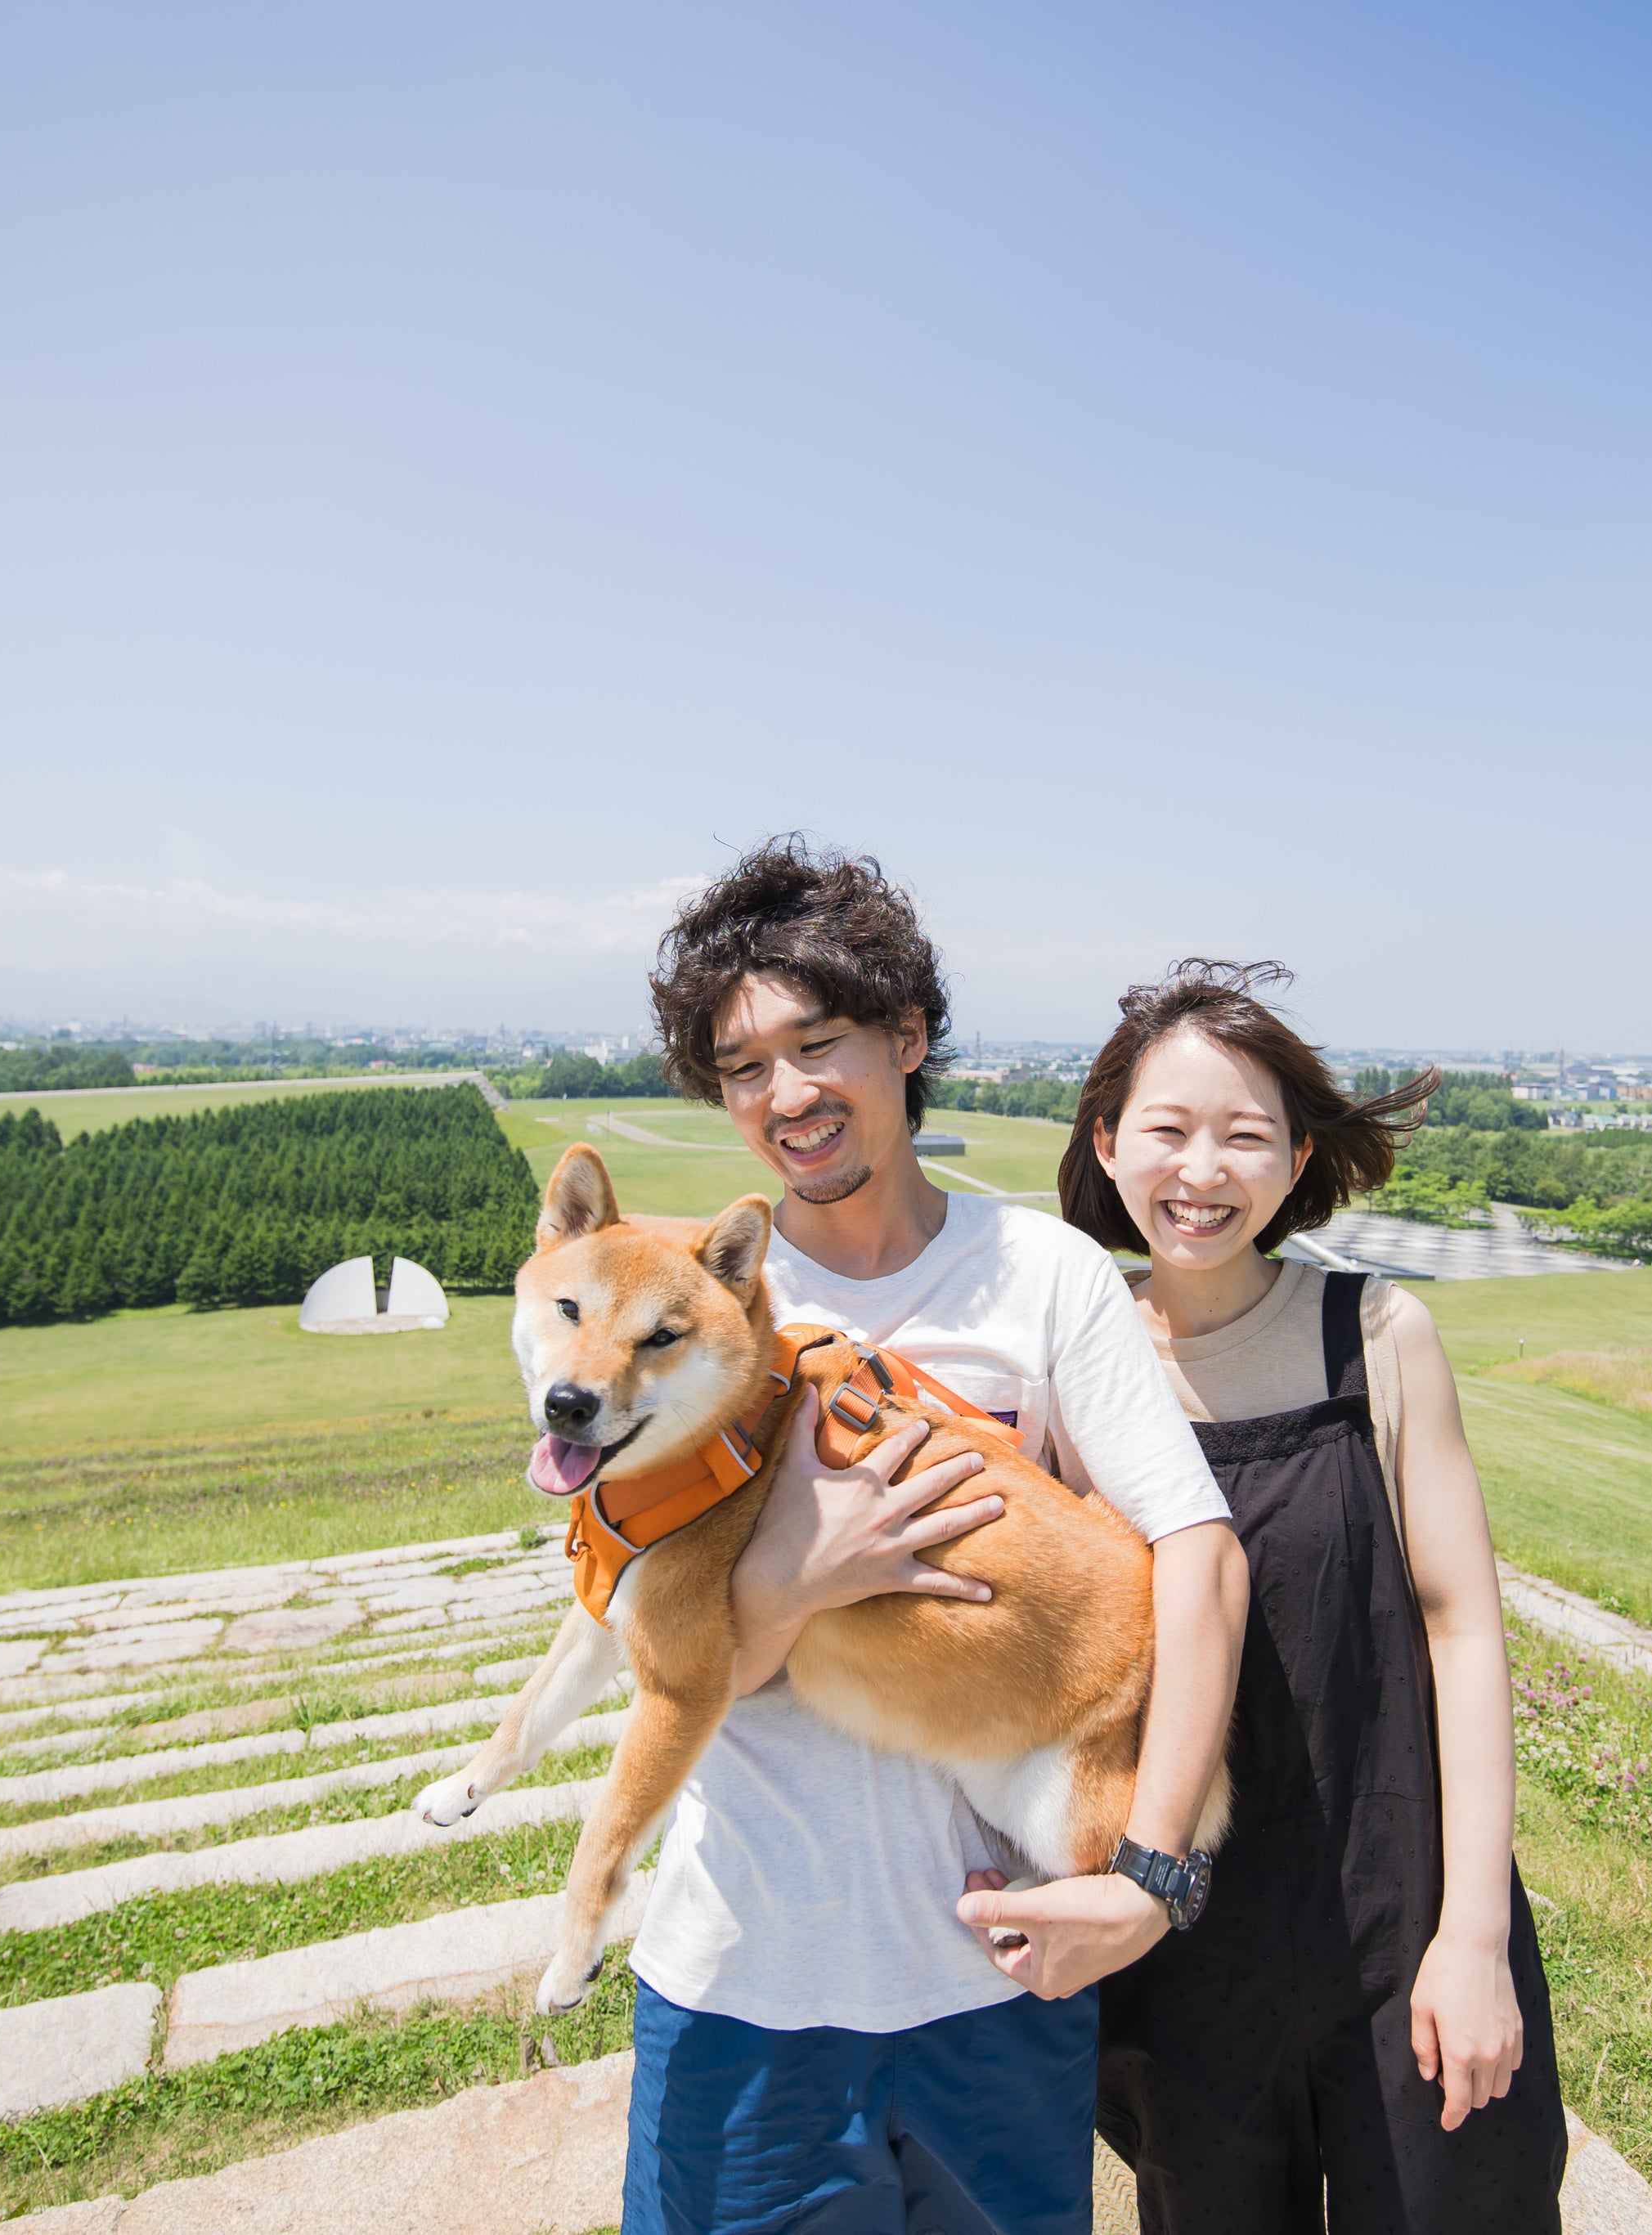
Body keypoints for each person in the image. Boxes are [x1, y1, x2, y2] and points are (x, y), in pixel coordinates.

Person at [618, 837, 1250, 2235]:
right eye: (740, 1067)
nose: (786, 1095)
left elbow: (1200, 1556)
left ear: (908, 1037)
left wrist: (1152, 1873)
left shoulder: (1042, 1278)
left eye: (819, 1040)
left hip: (994, 1986)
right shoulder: (678, 1303)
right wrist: (798, 1574)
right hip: (742, 1983)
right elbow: (642, 1639)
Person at [1062, 961, 1569, 2235]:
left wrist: (1474, 1936)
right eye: (1169, 1130)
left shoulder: (1376, 1334)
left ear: (1296, 1161)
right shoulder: (1080, 1369)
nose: (1203, 1170)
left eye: (1246, 1135)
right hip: (1186, 1932)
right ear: (1109, 1144)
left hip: (1398, 1895)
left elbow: (1462, 1628)